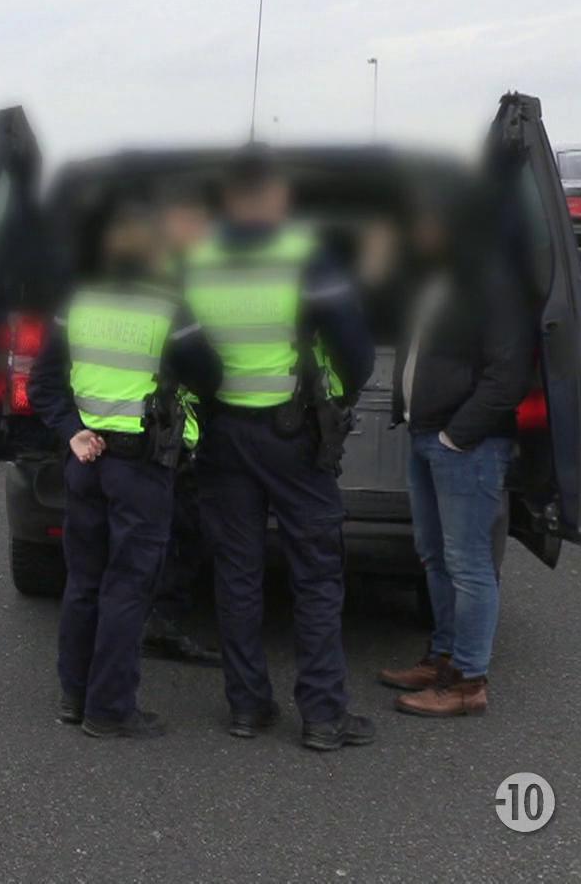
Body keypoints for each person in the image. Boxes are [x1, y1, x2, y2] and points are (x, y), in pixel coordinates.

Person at [185, 151, 378, 751]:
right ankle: (322, 715)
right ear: (271, 196)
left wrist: (214, 386)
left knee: (236, 574)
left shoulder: (198, 259)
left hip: (222, 435)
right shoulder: (301, 254)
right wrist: (336, 398)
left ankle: (247, 707)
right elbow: (356, 347)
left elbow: (182, 348)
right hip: (292, 436)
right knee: (316, 573)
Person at [31, 208, 222, 738]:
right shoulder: (168, 306)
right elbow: (211, 373)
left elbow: (44, 384)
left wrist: (71, 429)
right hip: (140, 466)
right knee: (128, 586)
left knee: (84, 583)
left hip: (86, 460)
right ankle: (110, 709)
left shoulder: (75, 304)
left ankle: (74, 696)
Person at [377, 193, 531, 717]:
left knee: (469, 564)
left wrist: (456, 436)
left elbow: (507, 375)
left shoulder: (493, 282)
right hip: (428, 435)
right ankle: (442, 656)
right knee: (435, 555)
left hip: (466, 444)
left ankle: (467, 681)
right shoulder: (434, 281)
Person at [141, 187, 222, 668]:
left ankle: (147, 618)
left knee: (169, 529)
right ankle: (161, 622)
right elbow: (199, 361)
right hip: (174, 429)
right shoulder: (178, 280)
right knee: (181, 528)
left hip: (163, 426)